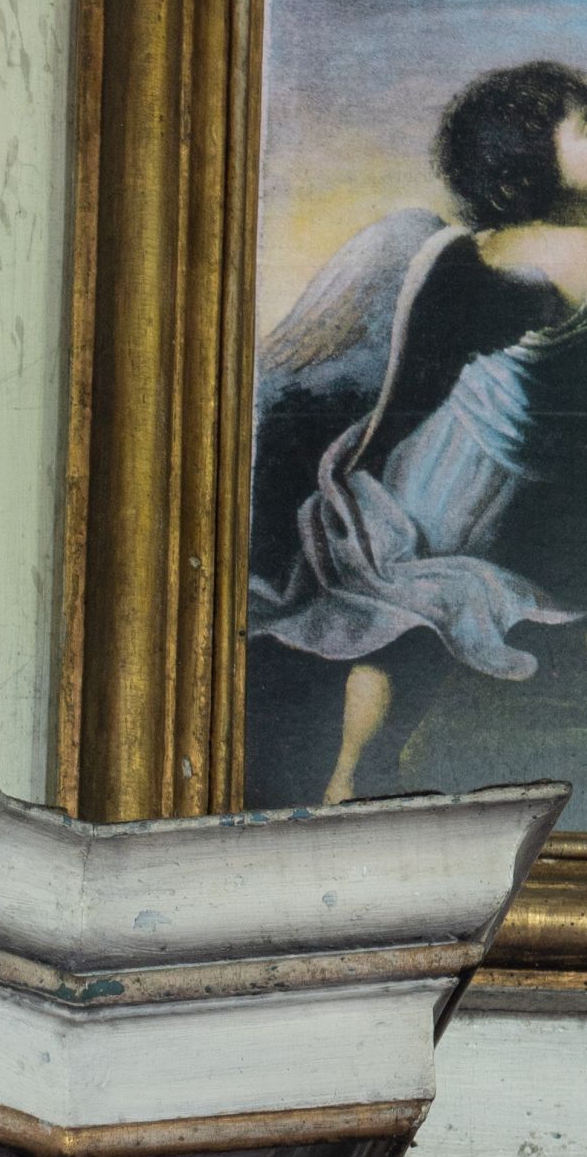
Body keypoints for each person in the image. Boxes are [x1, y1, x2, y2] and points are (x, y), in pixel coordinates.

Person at [248, 59, 587, 807]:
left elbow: (416, 382)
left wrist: (361, 463)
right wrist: (361, 463)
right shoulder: (544, 251)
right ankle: (349, 779)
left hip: (474, 472)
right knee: (418, 615)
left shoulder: (480, 253)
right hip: (453, 480)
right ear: (519, 179)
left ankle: (350, 778)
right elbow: (418, 378)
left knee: (409, 626)